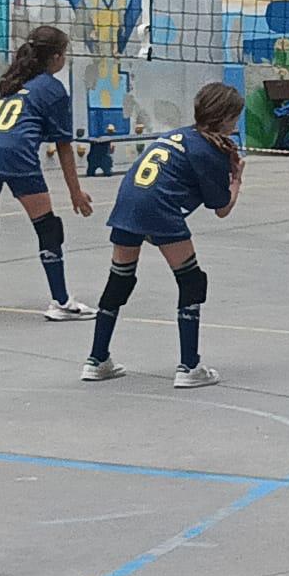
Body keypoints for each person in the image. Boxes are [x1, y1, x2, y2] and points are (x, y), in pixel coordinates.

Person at [82, 83, 246, 388]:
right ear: (224, 117)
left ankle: (96, 360)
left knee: (120, 279)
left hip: (129, 200)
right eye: (234, 117)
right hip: (158, 207)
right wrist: (236, 177)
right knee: (191, 280)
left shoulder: (178, 135)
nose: (236, 124)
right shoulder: (211, 151)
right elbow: (221, 207)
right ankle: (189, 367)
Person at [0, 26, 96, 318]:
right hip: (16, 154)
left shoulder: (11, 81)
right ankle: (61, 302)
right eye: (65, 54)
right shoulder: (52, 88)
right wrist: (75, 192)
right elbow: (64, 146)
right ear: (56, 57)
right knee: (47, 225)